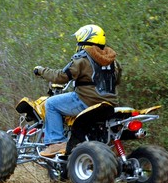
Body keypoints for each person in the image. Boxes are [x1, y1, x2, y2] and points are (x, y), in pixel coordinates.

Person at [34, 24, 122, 157]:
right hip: (110, 104)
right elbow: (117, 80)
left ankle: (56, 142)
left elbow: (61, 77)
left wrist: (41, 71)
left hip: (86, 101)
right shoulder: (113, 61)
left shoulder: (82, 58)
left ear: (84, 39)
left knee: (51, 104)